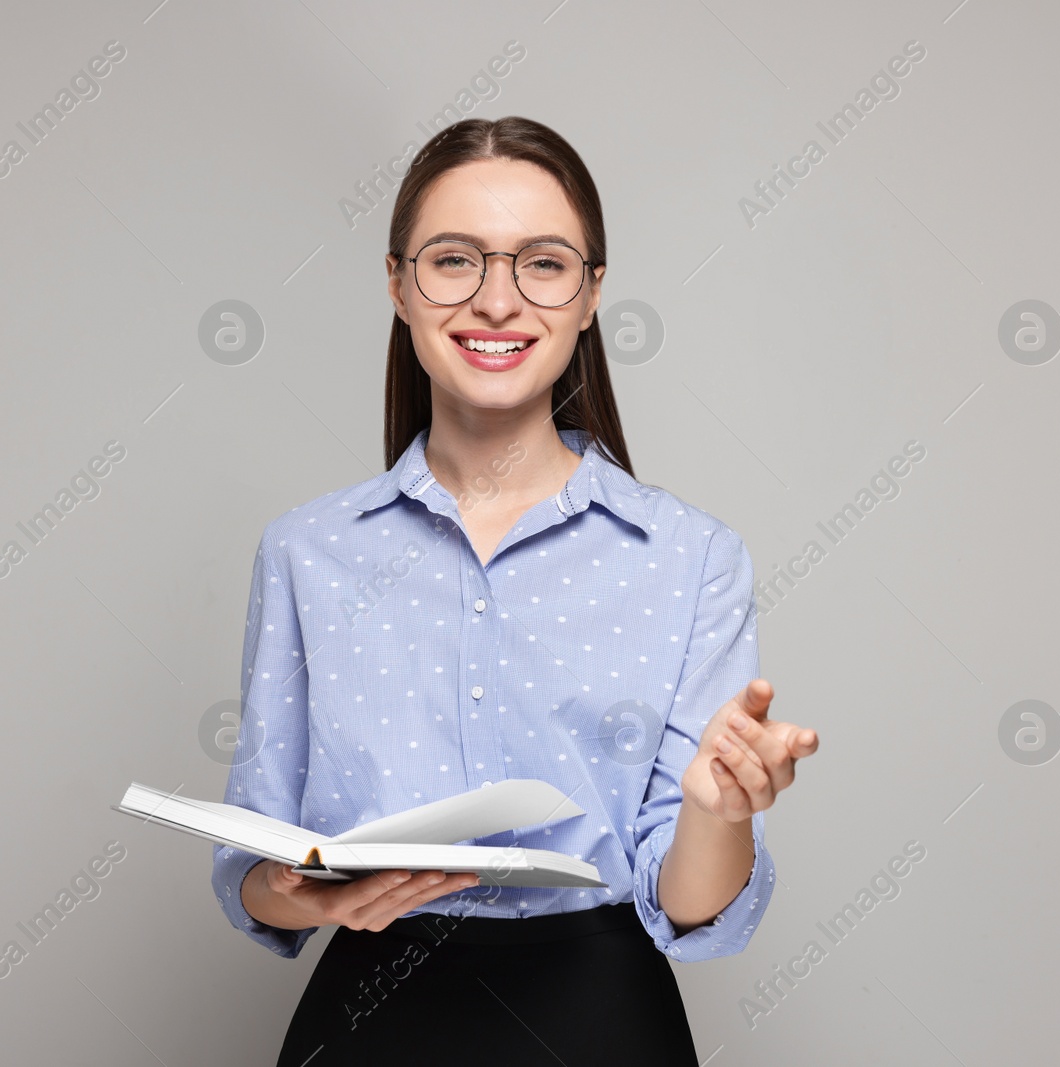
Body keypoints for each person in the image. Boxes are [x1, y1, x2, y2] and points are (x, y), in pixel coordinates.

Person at [210, 115, 819, 1065]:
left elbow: (692, 904)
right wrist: (301, 891)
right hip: (368, 1023)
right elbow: (252, 864)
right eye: (456, 260)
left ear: (590, 296)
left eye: (543, 263)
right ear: (399, 287)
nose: (498, 300)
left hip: (602, 1026)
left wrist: (717, 811)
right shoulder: (306, 552)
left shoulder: (689, 557)